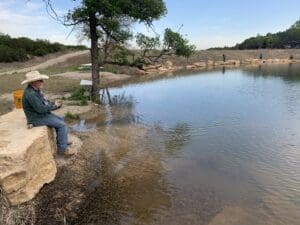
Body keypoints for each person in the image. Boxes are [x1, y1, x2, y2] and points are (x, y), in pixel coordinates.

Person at [21, 71, 74, 156]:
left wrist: (54, 104)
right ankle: (62, 150)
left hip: (40, 114)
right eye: (40, 80)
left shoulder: (35, 90)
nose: (42, 81)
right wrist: (54, 106)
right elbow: (41, 109)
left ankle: (62, 141)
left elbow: (44, 102)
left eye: (41, 80)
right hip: (36, 118)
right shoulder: (31, 94)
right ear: (33, 82)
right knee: (61, 125)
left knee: (61, 119)